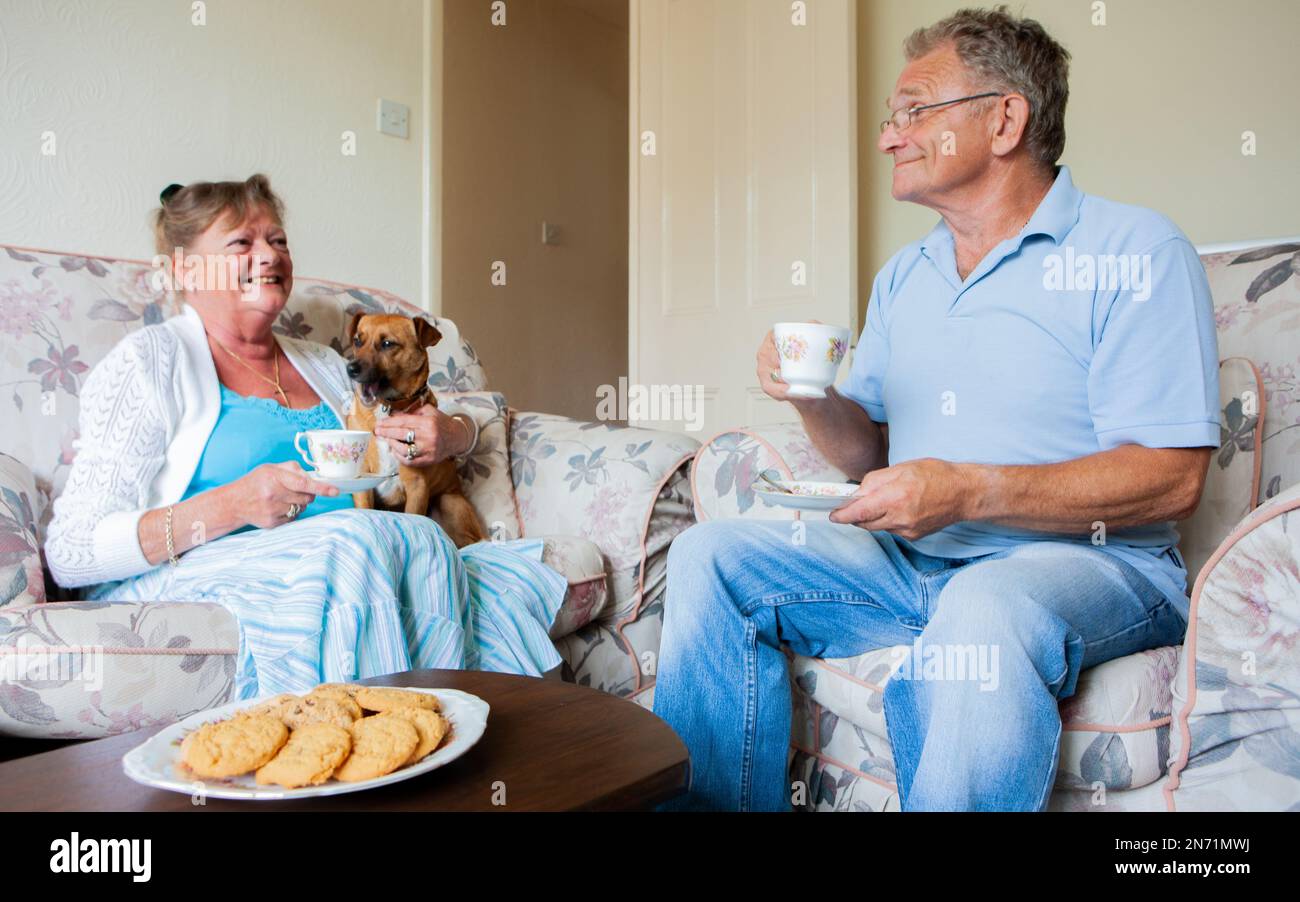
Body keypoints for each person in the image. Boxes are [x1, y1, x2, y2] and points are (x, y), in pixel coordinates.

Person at [653, 7, 1219, 811]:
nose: (890, 136)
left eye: (915, 111)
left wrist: (969, 491)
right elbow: (869, 457)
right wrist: (814, 397)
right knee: (709, 556)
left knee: (985, 606)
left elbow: (1169, 480)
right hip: (913, 563)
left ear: (1004, 119)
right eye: (894, 117)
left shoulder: (1134, 253)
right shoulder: (905, 275)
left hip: (1098, 566)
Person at [45, 175, 566, 698]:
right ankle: (376, 747)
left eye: (278, 241)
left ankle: (452, 741)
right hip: (208, 570)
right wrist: (232, 504)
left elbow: (433, 413)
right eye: (241, 243)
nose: (269, 256)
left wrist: (451, 434)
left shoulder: (324, 363)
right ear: (185, 268)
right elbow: (71, 552)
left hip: (358, 558)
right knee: (369, 538)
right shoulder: (147, 363)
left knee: (431, 543)